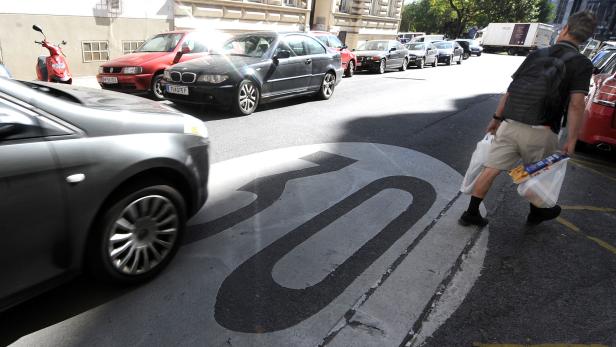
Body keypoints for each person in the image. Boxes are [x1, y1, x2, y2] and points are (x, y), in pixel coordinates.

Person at [459, 11, 598, 227]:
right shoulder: (582, 63)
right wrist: (572, 138)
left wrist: (496, 119)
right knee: (537, 175)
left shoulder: (536, 55)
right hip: (541, 131)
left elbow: (510, 91)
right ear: (586, 39)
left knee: (491, 168)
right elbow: (577, 104)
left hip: (510, 123)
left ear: (565, 29)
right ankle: (536, 213)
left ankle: (471, 213)